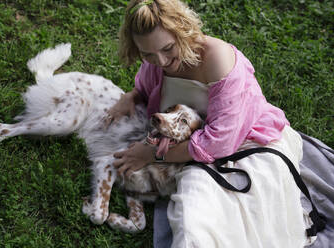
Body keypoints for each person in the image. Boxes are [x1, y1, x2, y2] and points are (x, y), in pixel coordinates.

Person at [106, 0, 314, 247]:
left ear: (183, 29)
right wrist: (130, 97)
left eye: (168, 48)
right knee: (194, 219)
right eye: (148, 54)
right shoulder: (157, 61)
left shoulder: (218, 59)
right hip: (193, 153)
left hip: (248, 144)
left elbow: (219, 143)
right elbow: (145, 87)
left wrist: (152, 154)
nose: (160, 61)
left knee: (251, 217)